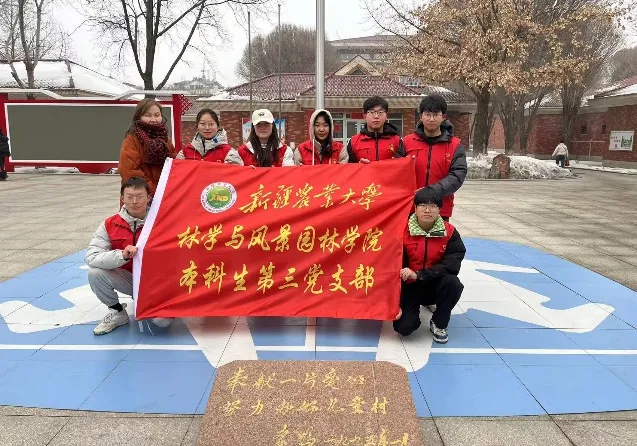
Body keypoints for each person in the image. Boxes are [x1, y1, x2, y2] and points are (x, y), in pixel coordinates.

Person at [86, 177, 173, 335]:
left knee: (162, 323)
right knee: (95, 273)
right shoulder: (110, 224)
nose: (134, 201)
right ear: (122, 198)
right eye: (130, 197)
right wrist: (122, 256)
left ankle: (154, 304)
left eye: (140, 197)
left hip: (158, 284)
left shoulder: (162, 221)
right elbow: (92, 257)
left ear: (148, 198)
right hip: (129, 280)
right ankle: (117, 312)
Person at [393, 187, 465, 344]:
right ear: (415, 208)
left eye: (433, 206)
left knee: (453, 284)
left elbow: (452, 265)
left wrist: (420, 274)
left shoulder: (450, 232)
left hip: (434, 283)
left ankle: (439, 323)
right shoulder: (402, 230)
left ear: (439, 209)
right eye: (423, 205)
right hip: (409, 286)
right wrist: (393, 303)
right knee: (404, 328)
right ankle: (410, 312)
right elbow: (391, 261)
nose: (427, 210)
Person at [403, 94, 467, 221]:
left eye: (436, 114)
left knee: (440, 235)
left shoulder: (455, 145)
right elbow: (396, 172)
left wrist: (433, 191)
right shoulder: (406, 142)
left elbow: (457, 175)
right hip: (411, 208)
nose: (431, 119)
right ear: (421, 116)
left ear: (443, 117)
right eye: (427, 114)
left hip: (440, 209)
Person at [118, 99, 178, 199]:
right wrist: (155, 192)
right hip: (139, 197)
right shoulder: (132, 140)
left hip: (164, 195)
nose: (153, 119)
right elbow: (130, 172)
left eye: (157, 115)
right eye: (148, 115)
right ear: (139, 117)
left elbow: (172, 163)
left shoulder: (164, 139)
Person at [347, 96, 406, 163]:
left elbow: (403, 165)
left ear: (386, 116)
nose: (376, 116)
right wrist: (359, 165)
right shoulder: (353, 142)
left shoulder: (397, 141)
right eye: (372, 112)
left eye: (380, 112)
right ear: (365, 116)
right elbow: (348, 167)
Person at [176, 108, 243, 164]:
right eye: (203, 124)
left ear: (217, 126)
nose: (207, 128)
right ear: (197, 126)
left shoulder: (229, 153)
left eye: (211, 124)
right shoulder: (185, 153)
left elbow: (235, 173)